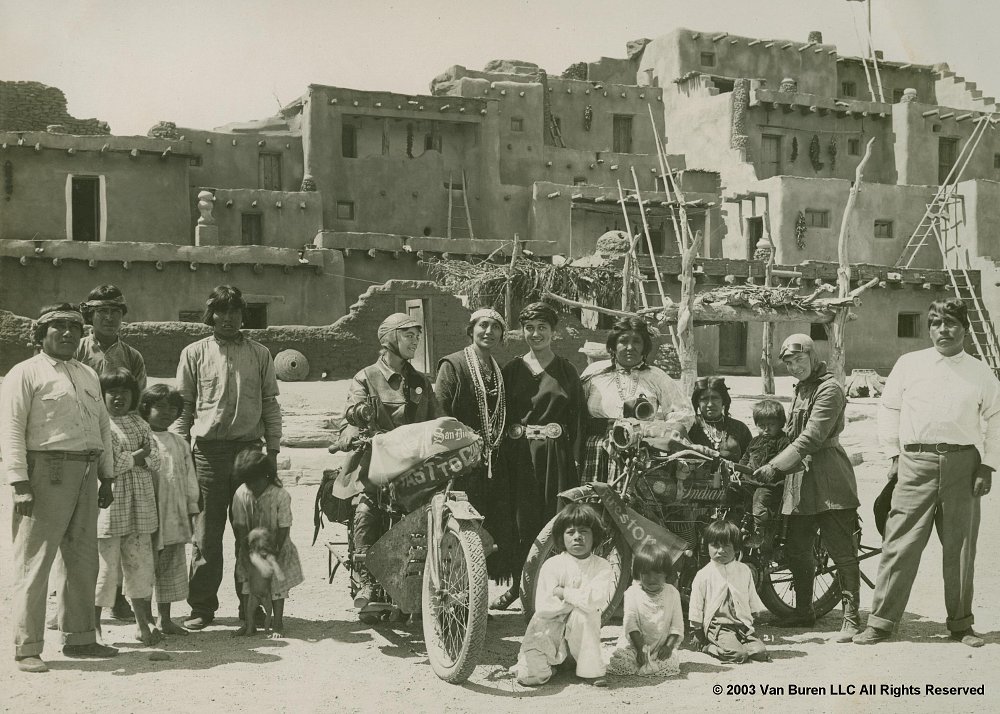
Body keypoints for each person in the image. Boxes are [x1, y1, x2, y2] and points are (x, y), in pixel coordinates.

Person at [855, 299, 1000, 648]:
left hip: (963, 466)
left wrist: (987, 465)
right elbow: (889, 408)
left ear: (965, 328)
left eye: (951, 323)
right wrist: (893, 454)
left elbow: (996, 418)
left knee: (960, 548)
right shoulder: (910, 364)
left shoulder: (980, 372)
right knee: (899, 544)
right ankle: (881, 623)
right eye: (936, 323)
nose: (943, 330)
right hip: (914, 463)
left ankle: (961, 626)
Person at [0, 304, 118, 673]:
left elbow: (102, 427)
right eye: (58, 327)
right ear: (41, 334)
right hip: (45, 473)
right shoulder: (25, 373)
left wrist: (107, 475)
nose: (68, 333)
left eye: (74, 327)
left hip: (87, 471)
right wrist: (19, 481)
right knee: (34, 562)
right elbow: (11, 429)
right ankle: (27, 646)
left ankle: (80, 637)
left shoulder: (87, 374)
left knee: (82, 560)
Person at [173, 285, 283, 630]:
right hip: (208, 454)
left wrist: (273, 451)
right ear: (212, 315)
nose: (229, 318)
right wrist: (180, 451)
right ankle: (202, 607)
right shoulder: (194, 353)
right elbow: (184, 407)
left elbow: (270, 404)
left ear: (242, 315)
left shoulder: (260, 354)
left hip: (250, 454)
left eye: (235, 311)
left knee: (251, 533)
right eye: (221, 311)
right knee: (206, 535)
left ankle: (251, 606)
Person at [754, 334, 861, 643]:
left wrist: (775, 465)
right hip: (799, 480)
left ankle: (852, 618)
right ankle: (804, 612)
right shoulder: (802, 388)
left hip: (829, 477)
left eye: (799, 360)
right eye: (788, 363)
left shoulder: (830, 388)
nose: (795, 367)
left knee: (841, 550)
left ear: (813, 357)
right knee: (798, 549)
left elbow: (812, 437)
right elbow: (790, 432)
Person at [339, 312, 442, 622]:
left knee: (436, 510)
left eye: (417, 335)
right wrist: (356, 422)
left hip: (414, 466)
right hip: (377, 463)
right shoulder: (366, 377)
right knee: (366, 508)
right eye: (408, 334)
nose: (415, 340)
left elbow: (437, 418)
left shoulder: (421, 381)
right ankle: (366, 581)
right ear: (389, 339)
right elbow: (353, 411)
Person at [492, 302, 586, 610]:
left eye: (542, 328)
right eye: (529, 328)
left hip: (555, 458)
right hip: (518, 457)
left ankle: (550, 589)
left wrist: (574, 460)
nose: (536, 334)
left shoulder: (566, 371)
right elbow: (498, 415)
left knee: (552, 521)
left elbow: (578, 419)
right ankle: (518, 587)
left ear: (553, 332)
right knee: (520, 522)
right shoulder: (511, 370)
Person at [75, 283, 147, 621]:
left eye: (115, 311)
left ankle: (116, 597)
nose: (108, 317)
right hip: (80, 440)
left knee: (116, 523)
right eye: (102, 311)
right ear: (90, 316)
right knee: (80, 522)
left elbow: (139, 403)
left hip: (119, 445)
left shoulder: (132, 357)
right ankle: (77, 598)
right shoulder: (76, 349)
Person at [434, 308, 508, 576]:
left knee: (484, 531)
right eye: (483, 325)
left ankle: (475, 591)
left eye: (496, 327)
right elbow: (440, 414)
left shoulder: (498, 370)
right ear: (471, 330)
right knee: (457, 529)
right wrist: (466, 442)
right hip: (460, 462)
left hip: (491, 464)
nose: (489, 331)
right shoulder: (453, 365)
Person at [580, 316, 694, 483]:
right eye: (623, 341)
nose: (630, 347)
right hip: (595, 452)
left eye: (637, 342)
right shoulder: (595, 372)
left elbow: (682, 413)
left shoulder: (656, 376)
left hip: (640, 455)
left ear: (644, 347)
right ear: (613, 345)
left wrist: (658, 433)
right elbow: (574, 409)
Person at [514, 503, 613, 687]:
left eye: (584, 531)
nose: (577, 537)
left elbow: (595, 601)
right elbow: (544, 607)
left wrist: (563, 592)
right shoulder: (552, 565)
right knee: (530, 676)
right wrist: (579, 599)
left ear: (595, 535)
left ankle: (588, 669)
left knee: (585, 615)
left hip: (579, 628)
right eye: (571, 532)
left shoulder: (602, 567)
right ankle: (556, 664)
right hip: (548, 629)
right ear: (561, 537)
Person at [97, 368, 162, 645]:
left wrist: (133, 458)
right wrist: (137, 457)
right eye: (112, 392)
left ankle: (142, 623)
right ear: (102, 395)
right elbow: (107, 464)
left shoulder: (140, 423)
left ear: (134, 395)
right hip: (111, 505)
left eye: (124, 392)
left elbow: (156, 459)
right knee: (105, 568)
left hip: (140, 506)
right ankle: (94, 628)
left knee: (140, 565)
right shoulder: (101, 423)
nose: (118, 397)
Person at [139, 384, 201, 636]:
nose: (167, 412)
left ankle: (165, 619)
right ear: (146, 408)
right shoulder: (141, 439)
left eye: (173, 408)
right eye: (160, 407)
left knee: (169, 568)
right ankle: (144, 620)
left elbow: (189, 478)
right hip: (147, 513)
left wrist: (192, 506)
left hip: (173, 515)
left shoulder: (180, 443)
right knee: (144, 567)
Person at [231, 450, 304, 638]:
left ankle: (277, 623)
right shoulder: (241, 494)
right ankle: (249, 624)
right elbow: (240, 526)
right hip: (250, 549)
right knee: (247, 587)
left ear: (266, 475)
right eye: (248, 482)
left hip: (277, 547)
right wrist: (246, 551)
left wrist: (274, 552)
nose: (252, 487)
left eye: (255, 481)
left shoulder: (280, 495)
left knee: (277, 588)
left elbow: (284, 527)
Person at [688, 520, 769, 664]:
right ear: (707, 547)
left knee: (760, 653)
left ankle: (738, 645)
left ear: (736, 548)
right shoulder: (704, 574)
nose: (720, 551)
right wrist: (697, 631)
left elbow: (751, 593)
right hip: (719, 626)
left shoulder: (743, 570)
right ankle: (709, 648)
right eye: (715, 545)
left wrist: (755, 610)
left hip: (742, 624)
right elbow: (696, 603)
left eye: (726, 545)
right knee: (738, 655)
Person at [607, 541, 684, 677]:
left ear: (666, 573)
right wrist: (640, 647)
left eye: (658, 573)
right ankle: (639, 661)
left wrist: (668, 646)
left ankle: (654, 661)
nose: (652, 578)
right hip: (635, 644)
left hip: (661, 645)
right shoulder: (632, 593)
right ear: (638, 573)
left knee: (670, 663)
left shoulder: (672, 593)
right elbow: (631, 624)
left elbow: (677, 625)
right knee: (621, 661)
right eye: (646, 573)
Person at [740, 399, 790, 548]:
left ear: (781, 424)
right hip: (750, 481)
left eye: (771, 425)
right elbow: (745, 458)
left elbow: (784, 461)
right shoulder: (754, 441)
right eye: (761, 426)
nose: (766, 429)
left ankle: (759, 532)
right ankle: (740, 525)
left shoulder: (783, 441)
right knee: (735, 493)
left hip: (771, 485)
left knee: (760, 499)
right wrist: (738, 469)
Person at [688, 377, 752, 462]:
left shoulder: (740, 428)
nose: (710, 404)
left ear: (723, 401)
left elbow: (751, 459)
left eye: (715, 398)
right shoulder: (690, 426)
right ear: (697, 403)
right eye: (704, 399)